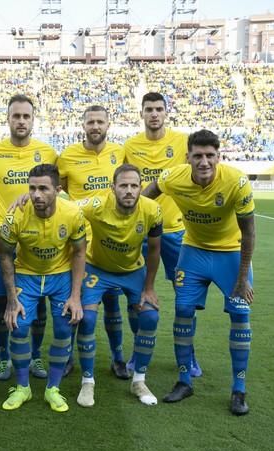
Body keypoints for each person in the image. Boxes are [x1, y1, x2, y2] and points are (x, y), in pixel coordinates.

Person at [143, 129, 255, 416]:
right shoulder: (173, 176)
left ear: (219, 157)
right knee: (182, 309)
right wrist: (129, 210)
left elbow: (249, 232)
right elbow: (148, 195)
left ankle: (239, 389)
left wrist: (242, 278)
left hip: (231, 253)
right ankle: (184, 381)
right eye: (198, 156)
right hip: (192, 251)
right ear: (187, 158)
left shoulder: (236, 182)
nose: (204, 162)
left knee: (241, 313)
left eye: (209, 156)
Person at [124, 92, 203, 378]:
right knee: (136, 294)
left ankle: (188, 355)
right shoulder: (131, 145)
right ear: (141, 114)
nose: (154, 114)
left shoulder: (183, 141)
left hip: (176, 232)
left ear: (166, 112)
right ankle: (137, 350)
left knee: (185, 297)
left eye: (159, 109)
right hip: (140, 232)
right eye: (149, 109)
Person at [0, 94, 58, 381]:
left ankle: (35, 355)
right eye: (16, 116)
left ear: (33, 119)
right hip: (4, 239)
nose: (21, 121)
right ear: (8, 118)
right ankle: (4, 357)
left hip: (37, 239)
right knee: (2, 300)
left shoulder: (48, 152)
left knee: (37, 305)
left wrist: (31, 194)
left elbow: (56, 188)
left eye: (26, 116)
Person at [0, 164, 86, 413]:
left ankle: (53, 388)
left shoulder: (72, 214)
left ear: (58, 190)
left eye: (43, 189)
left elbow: (80, 253)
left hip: (60, 276)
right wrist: (11, 298)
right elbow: (5, 256)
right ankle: (23, 387)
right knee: (18, 325)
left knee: (64, 326)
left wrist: (75, 295)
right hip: (26, 274)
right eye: (32, 188)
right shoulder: (15, 214)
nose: (36, 194)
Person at [75, 164, 163, 407]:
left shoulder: (153, 210)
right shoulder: (96, 206)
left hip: (133, 271)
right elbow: (65, 208)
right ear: (112, 188)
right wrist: (26, 198)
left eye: (134, 186)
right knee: (87, 319)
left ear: (140, 188)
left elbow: (155, 250)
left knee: (150, 318)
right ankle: (87, 381)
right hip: (97, 269)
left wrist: (149, 287)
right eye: (123, 185)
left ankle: (139, 380)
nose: (129, 190)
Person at [56, 105, 128, 378]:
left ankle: (118, 357)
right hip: (78, 242)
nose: (95, 126)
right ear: (83, 125)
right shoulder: (68, 156)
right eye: (91, 122)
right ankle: (66, 358)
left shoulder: (120, 153)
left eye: (100, 122)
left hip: (111, 239)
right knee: (75, 300)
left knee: (112, 302)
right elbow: (58, 188)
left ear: (108, 125)